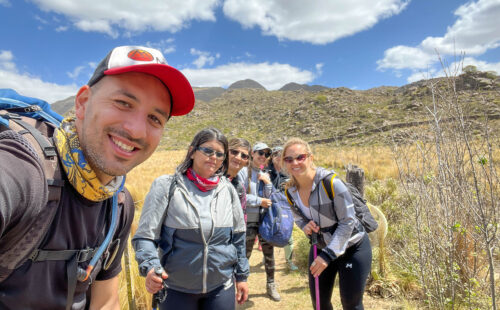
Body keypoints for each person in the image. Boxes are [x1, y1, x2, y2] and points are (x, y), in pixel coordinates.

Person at [0, 45, 195, 309]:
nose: (136, 130)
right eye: (123, 103)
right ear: (82, 103)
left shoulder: (118, 204)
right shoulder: (24, 167)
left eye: (154, 118)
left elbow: (106, 301)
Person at [132, 128, 249, 310]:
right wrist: (150, 267)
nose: (214, 157)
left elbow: (239, 238)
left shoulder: (228, 190)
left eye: (220, 154)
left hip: (221, 287)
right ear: (192, 151)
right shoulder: (166, 186)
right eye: (208, 151)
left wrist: (241, 277)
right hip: (176, 290)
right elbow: (145, 237)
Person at [282, 138, 372, 310]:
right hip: (321, 246)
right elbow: (299, 218)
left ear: (310, 158)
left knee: (351, 304)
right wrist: (305, 226)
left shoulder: (331, 183)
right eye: (289, 159)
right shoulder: (290, 191)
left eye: (300, 157)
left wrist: (328, 255)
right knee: (319, 303)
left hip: (352, 248)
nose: (295, 162)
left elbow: (348, 222)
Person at [238, 142, 281, 301]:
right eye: (260, 153)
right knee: (245, 256)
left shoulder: (265, 174)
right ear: (252, 154)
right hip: (248, 221)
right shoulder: (243, 172)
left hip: (264, 222)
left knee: (269, 255)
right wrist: (259, 200)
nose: (263, 156)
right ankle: (242, 287)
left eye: (266, 154)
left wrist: (268, 182)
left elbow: (270, 197)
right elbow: (240, 196)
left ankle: (271, 285)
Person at [268, 146, 298, 271]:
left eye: (281, 155)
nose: (278, 157)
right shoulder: (267, 172)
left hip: (286, 209)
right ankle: (268, 260)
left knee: (288, 237)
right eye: (276, 154)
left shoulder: (289, 172)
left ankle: (289, 262)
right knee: (269, 237)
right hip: (270, 209)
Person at [226, 138, 251, 222]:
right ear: (226, 152)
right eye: (234, 152)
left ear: (247, 161)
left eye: (244, 156)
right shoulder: (211, 179)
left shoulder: (240, 187)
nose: (238, 158)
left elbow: (241, 217)